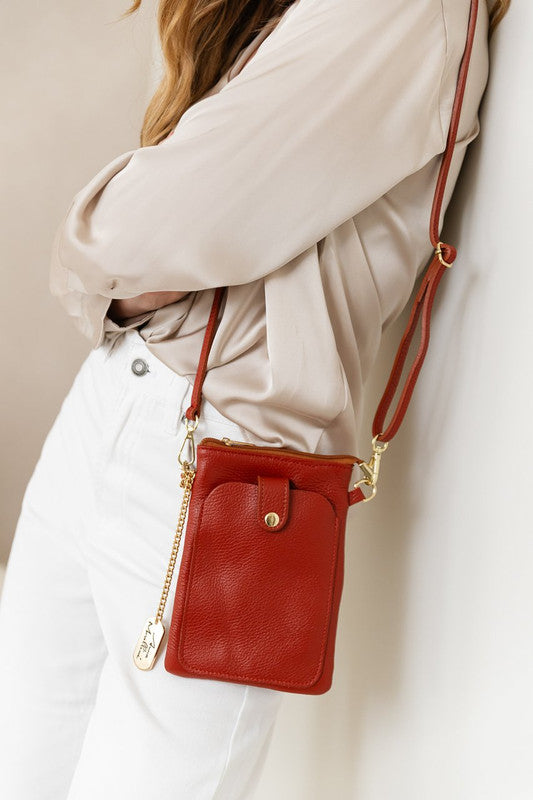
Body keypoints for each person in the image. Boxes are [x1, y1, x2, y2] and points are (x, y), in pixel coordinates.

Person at [0, 1, 508, 798]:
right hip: (120, 406)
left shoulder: (402, 11)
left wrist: (87, 251)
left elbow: (146, 226)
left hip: (231, 465)